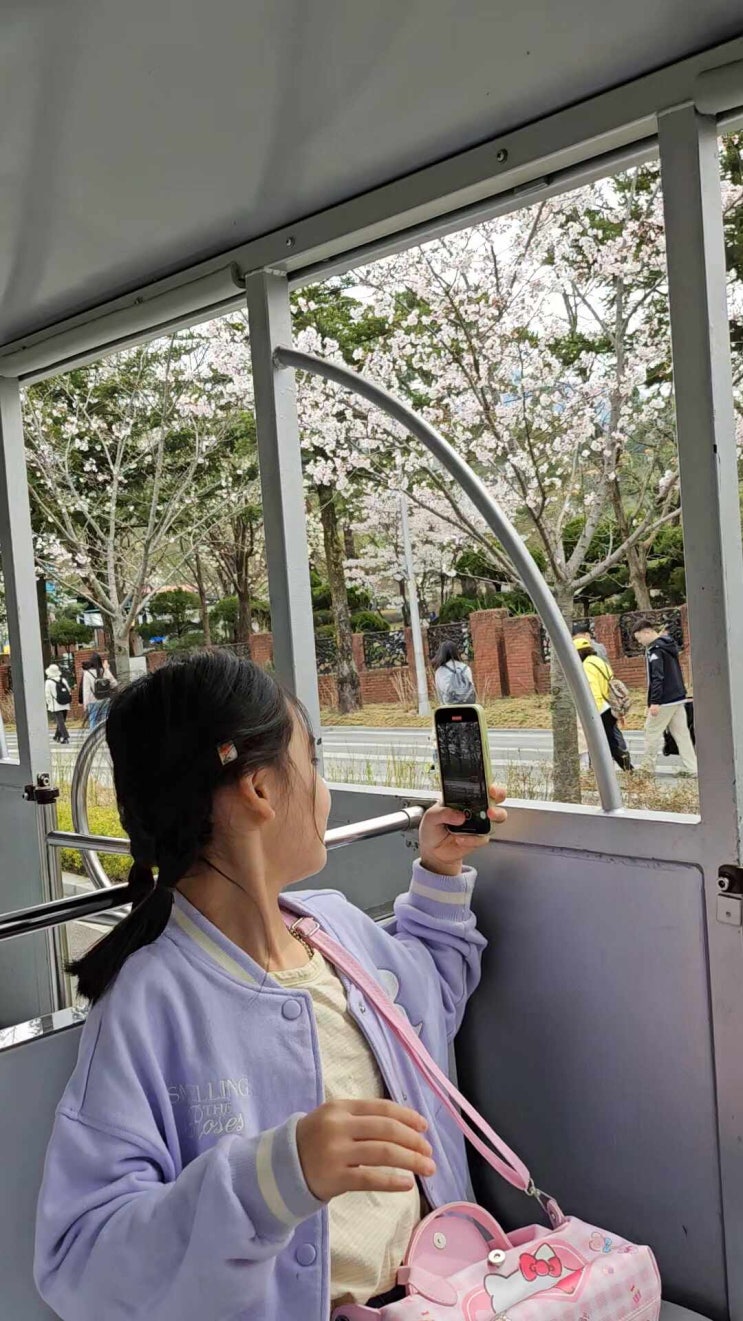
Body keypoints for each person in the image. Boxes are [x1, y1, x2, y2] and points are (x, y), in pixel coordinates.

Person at [34, 651, 506, 1320]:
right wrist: (273, 1178)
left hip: (445, 1293)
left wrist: (439, 872)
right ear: (259, 789)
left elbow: (423, 1019)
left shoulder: (335, 929)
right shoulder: (148, 1002)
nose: (322, 789)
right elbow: (80, 1260)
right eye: (311, 761)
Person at [632, 618, 697, 776]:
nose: (640, 642)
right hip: (677, 696)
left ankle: (647, 768)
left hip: (664, 700)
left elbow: (657, 677)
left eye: (639, 638)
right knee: (681, 734)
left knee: (651, 732)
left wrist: (654, 701)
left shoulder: (656, 650)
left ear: (647, 632)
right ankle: (693, 768)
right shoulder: (668, 646)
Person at [573, 637, 632, 772]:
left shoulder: (587, 666)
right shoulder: (599, 661)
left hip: (600, 709)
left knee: (608, 743)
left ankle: (628, 769)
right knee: (608, 740)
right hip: (608, 706)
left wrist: (592, 712)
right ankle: (610, 769)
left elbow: (593, 690)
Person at [433, 640, 476, 704]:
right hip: (467, 706)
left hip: (448, 706)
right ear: (456, 652)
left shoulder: (439, 671)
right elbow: (472, 689)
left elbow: (440, 695)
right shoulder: (466, 668)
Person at [81, 653, 118, 728]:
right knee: (105, 721)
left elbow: (86, 691)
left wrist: (85, 705)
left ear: (91, 662)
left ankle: (95, 735)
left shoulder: (87, 673)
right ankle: (105, 734)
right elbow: (114, 683)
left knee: (93, 722)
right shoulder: (105, 671)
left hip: (93, 701)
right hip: (105, 699)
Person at [44, 663, 71, 745]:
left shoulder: (48, 682)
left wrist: (49, 704)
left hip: (55, 705)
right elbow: (68, 690)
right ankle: (57, 736)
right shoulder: (63, 680)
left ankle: (65, 737)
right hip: (65, 703)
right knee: (61, 721)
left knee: (60, 722)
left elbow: (47, 695)